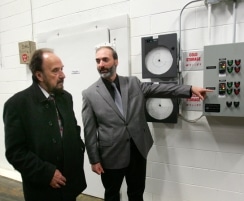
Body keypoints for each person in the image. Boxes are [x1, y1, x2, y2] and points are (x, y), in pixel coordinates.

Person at [81, 45, 212, 201]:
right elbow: (89, 130)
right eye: (98, 61)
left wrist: (190, 89)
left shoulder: (133, 83)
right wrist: (94, 159)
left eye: (105, 59)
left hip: (138, 150)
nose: (101, 64)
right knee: (112, 194)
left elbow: (161, 89)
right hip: (111, 155)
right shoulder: (89, 94)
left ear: (116, 61)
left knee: (137, 193)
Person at [3, 48, 87, 201]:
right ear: (39, 75)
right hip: (42, 189)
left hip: (69, 184)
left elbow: (73, 129)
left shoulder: (65, 97)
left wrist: (79, 148)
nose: (62, 75)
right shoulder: (17, 105)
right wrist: (46, 173)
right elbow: (15, 153)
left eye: (62, 69)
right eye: (55, 71)